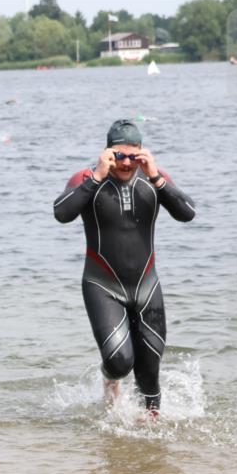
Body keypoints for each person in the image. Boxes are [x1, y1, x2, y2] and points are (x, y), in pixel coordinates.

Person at [53, 119, 195, 417]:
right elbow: (61, 213)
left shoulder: (153, 179)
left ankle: (152, 430)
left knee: (149, 371)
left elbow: (187, 213)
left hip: (147, 286)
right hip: (102, 285)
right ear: (107, 153)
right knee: (119, 361)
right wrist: (96, 176)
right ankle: (109, 381)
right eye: (120, 155)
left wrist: (156, 176)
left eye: (134, 155)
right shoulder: (87, 177)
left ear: (143, 153)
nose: (127, 163)